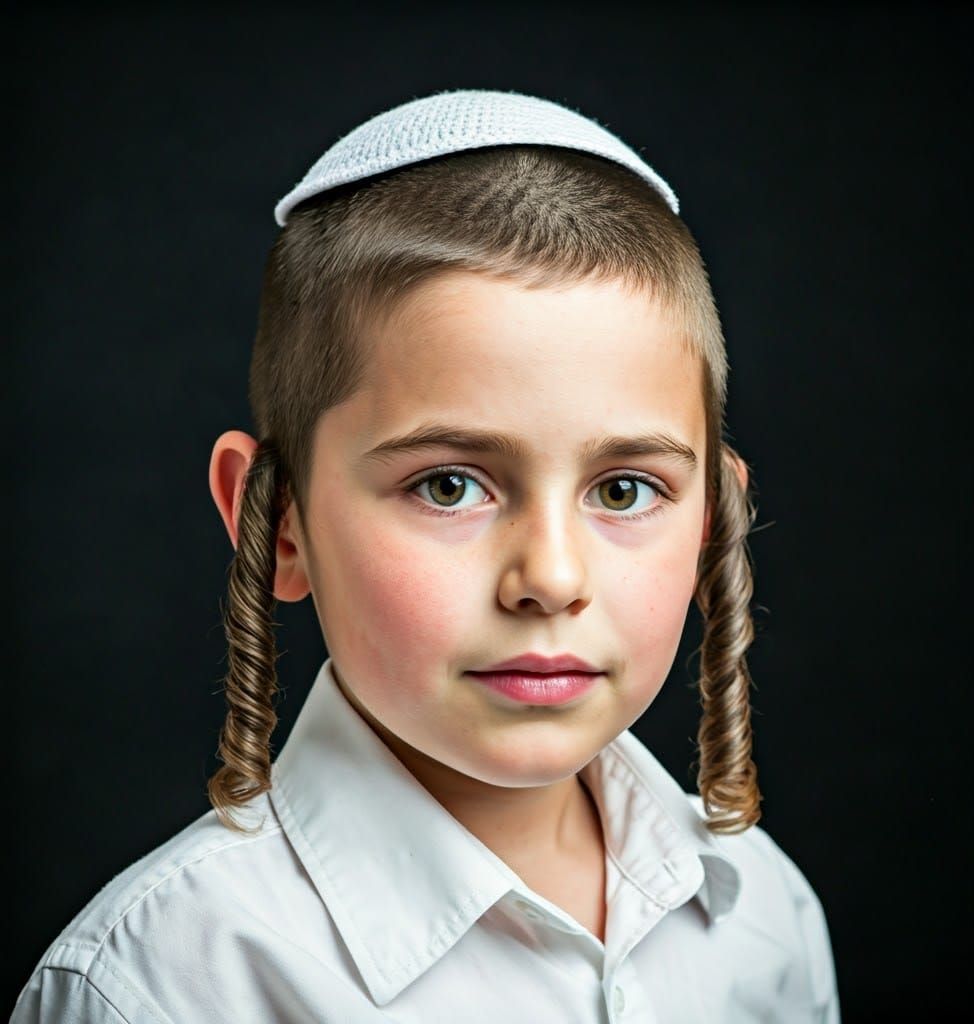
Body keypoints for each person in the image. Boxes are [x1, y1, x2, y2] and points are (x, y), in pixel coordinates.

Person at [11, 89, 840, 1023]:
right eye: (449, 486)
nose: (552, 581)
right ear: (277, 522)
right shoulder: (158, 986)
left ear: (711, 523)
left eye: (623, 490)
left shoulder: (763, 917)